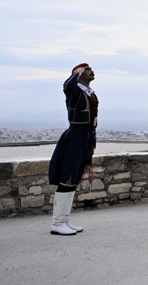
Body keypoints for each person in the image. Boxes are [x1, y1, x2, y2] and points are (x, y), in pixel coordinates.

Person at [48, 62, 98, 236]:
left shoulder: (91, 94)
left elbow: (92, 125)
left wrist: (89, 155)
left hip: (86, 137)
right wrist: (77, 72)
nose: (92, 71)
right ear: (79, 73)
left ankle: (65, 220)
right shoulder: (74, 90)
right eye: (88, 69)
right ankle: (57, 223)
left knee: (74, 180)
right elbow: (66, 85)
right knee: (67, 178)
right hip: (76, 137)